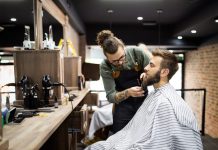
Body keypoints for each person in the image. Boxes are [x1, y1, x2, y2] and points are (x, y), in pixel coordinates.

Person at [85, 49, 203, 150]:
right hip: (126, 137)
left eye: (151, 65)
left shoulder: (166, 103)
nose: (145, 68)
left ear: (164, 72)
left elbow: (157, 145)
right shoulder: (154, 95)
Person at [96, 30, 150, 134]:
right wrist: (128, 92)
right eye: (115, 61)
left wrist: (148, 75)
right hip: (123, 106)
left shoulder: (137, 53)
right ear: (107, 58)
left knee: (143, 135)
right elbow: (111, 96)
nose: (120, 62)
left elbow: (154, 71)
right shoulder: (105, 66)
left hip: (143, 102)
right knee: (120, 137)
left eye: (122, 57)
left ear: (124, 48)